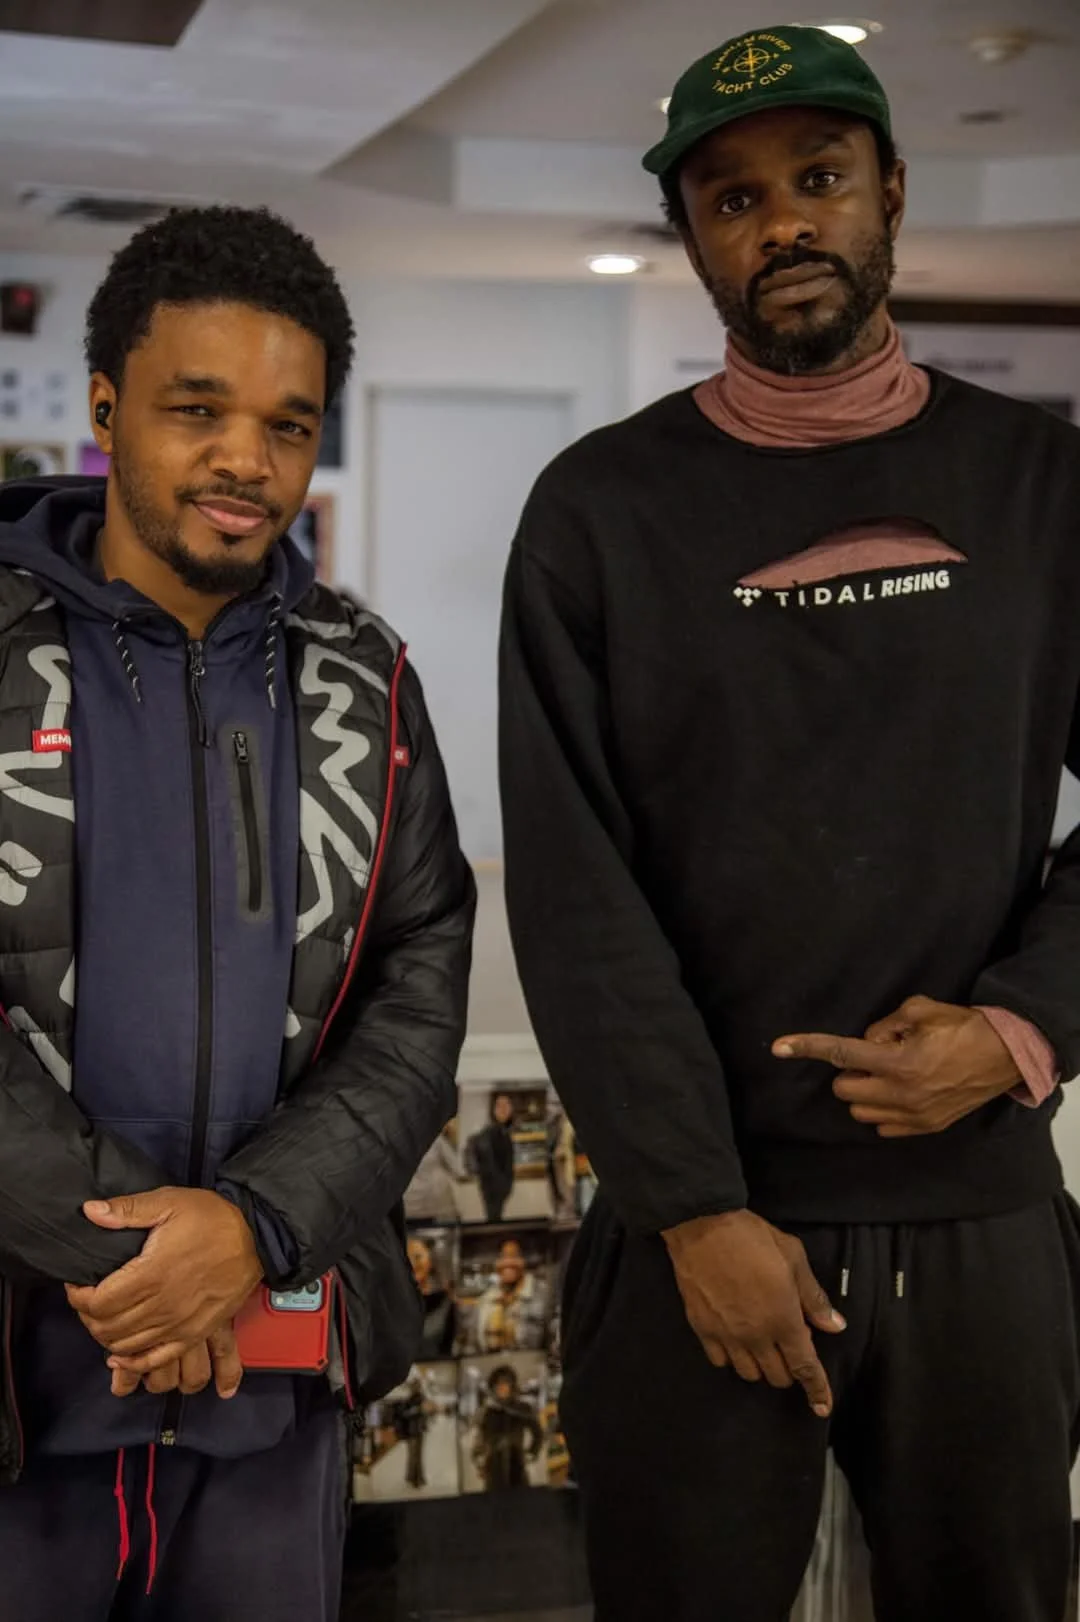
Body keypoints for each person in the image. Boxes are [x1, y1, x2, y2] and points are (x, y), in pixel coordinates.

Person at [499, 23, 1080, 1622]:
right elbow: (575, 888)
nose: (784, 225)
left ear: (892, 189)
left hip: (978, 1218)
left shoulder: (1043, 488)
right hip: (704, 1236)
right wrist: (694, 1205)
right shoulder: (599, 513)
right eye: (734, 199)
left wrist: (1021, 1027)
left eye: (819, 178)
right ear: (693, 235)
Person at [0, 204, 474, 1621]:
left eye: (287, 424)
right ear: (105, 409)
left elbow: (418, 982)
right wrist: (156, 1263)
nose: (244, 461)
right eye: (197, 409)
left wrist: (255, 1225)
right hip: (25, 1382)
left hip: (274, 1392)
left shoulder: (365, 679)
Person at [472, 1365, 542, 1492]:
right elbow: (481, 1437)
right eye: (498, 1384)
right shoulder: (488, 1411)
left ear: (512, 1386)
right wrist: (479, 1459)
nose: (501, 1387)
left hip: (517, 1466)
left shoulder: (522, 1408)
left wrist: (531, 1453)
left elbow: (538, 1433)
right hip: (493, 1468)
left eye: (505, 1383)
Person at [473, 1239, 548, 1354]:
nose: (508, 1262)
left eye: (513, 1256)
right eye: (503, 1257)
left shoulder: (542, 1296)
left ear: (523, 1261)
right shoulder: (488, 1298)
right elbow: (477, 1342)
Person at [465, 1090, 517, 1222]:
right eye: (499, 1106)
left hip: (499, 1188)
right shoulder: (490, 1133)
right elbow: (487, 1165)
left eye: (507, 1105)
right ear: (493, 1109)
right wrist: (502, 1185)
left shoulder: (505, 1132)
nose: (504, 1110)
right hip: (494, 1189)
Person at [407, 1235, 457, 1360]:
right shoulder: (391, 1305)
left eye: (417, 1257)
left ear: (430, 1261)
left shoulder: (445, 1303)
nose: (412, 1263)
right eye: (406, 1259)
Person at [405, 1120, 465, 1224]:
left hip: (408, 1207)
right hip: (437, 1205)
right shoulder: (436, 1140)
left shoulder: (395, 1144)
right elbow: (459, 1170)